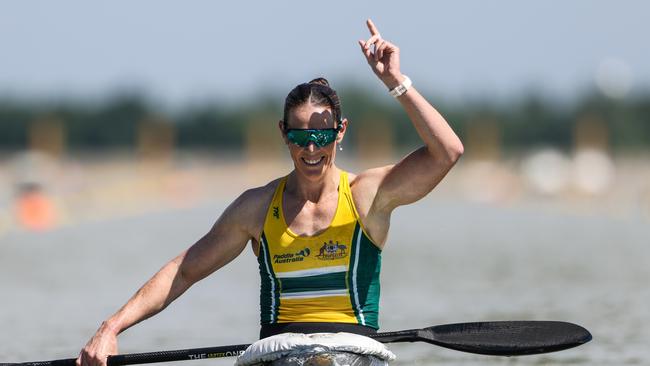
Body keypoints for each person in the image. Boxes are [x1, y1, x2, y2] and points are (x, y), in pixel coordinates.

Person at [77, 19, 463, 366]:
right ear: (283, 134)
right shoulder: (257, 208)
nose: (311, 150)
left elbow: (447, 152)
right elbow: (184, 271)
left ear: (339, 132)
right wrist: (111, 328)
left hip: (354, 353)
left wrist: (395, 82)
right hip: (280, 355)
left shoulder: (368, 195)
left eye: (320, 136)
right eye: (299, 137)